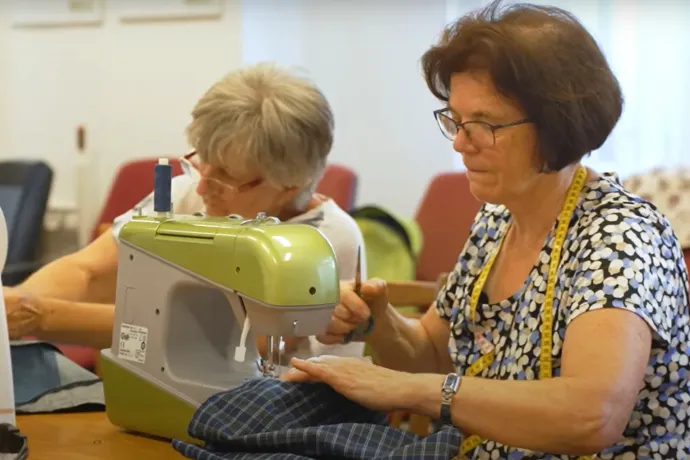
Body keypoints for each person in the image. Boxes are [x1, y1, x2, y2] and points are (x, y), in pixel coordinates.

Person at [282, 2, 690, 459]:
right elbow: (437, 352)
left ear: (559, 125)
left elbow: (591, 415)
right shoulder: (497, 219)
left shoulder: (620, 238)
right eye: (455, 119)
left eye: (485, 124)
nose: (459, 142)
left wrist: (409, 390)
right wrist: (380, 324)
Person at [4, 62, 366, 361]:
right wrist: (13, 309)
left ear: (290, 183)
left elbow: (234, 339)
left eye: (226, 178)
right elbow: (88, 269)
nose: (203, 187)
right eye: (201, 162)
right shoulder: (185, 195)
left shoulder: (326, 240)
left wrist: (41, 316)